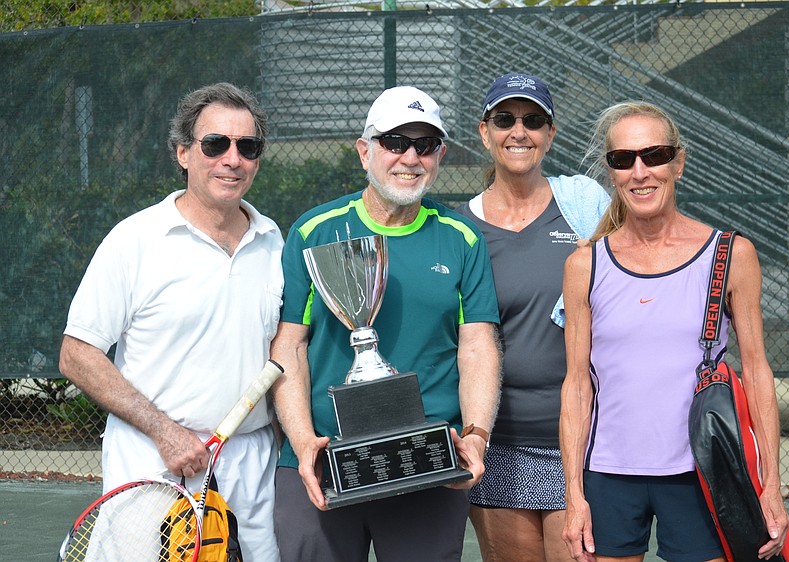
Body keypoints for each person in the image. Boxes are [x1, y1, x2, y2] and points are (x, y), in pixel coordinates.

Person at [270, 85, 502, 561]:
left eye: (425, 145)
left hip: (430, 462)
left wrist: (476, 436)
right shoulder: (314, 230)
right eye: (395, 142)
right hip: (323, 459)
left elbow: (477, 346)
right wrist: (302, 443)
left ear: (439, 155)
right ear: (365, 151)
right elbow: (289, 347)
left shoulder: (461, 238)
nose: (410, 157)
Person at [59, 82, 283, 561]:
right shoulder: (134, 239)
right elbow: (77, 354)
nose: (232, 158)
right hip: (152, 462)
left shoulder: (273, 242)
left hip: (250, 465)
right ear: (183, 153)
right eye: (215, 144)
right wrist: (165, 432)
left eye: (248, 146)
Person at [559, 100, 789, 562]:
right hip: (608, 477)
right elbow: (576, 385)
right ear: (611, 172)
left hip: (703, 475)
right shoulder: (584, 264)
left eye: (655, 155)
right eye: (623, 159)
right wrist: (574, 497)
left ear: (679, 163)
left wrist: (771, 487)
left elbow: (758, 372)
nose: (640, 171)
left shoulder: (731, 255)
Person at [455, 72, 609, 562]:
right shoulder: (460, 228)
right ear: (485, 132)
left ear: (551, 133)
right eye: (505, 119)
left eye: (533, 120)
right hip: (496, 444)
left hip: (581, 443)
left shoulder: (585, 209)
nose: (519, 131)